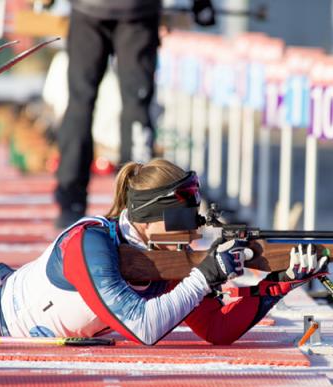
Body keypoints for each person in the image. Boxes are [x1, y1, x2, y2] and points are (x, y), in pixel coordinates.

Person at [0, 159, 327, 346]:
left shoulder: (162, 263)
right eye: (185, 212)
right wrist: (208, 273)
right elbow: (141, 327)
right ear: (149, 214)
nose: (195, 225)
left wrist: (281, 283)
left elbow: (217, 331)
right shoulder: (89, 242)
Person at [54, 0, 216, 228]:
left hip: (88, 9)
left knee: (80, 102)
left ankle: (71, 202)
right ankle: (139, 201)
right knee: (136, 106)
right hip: (137, 11)